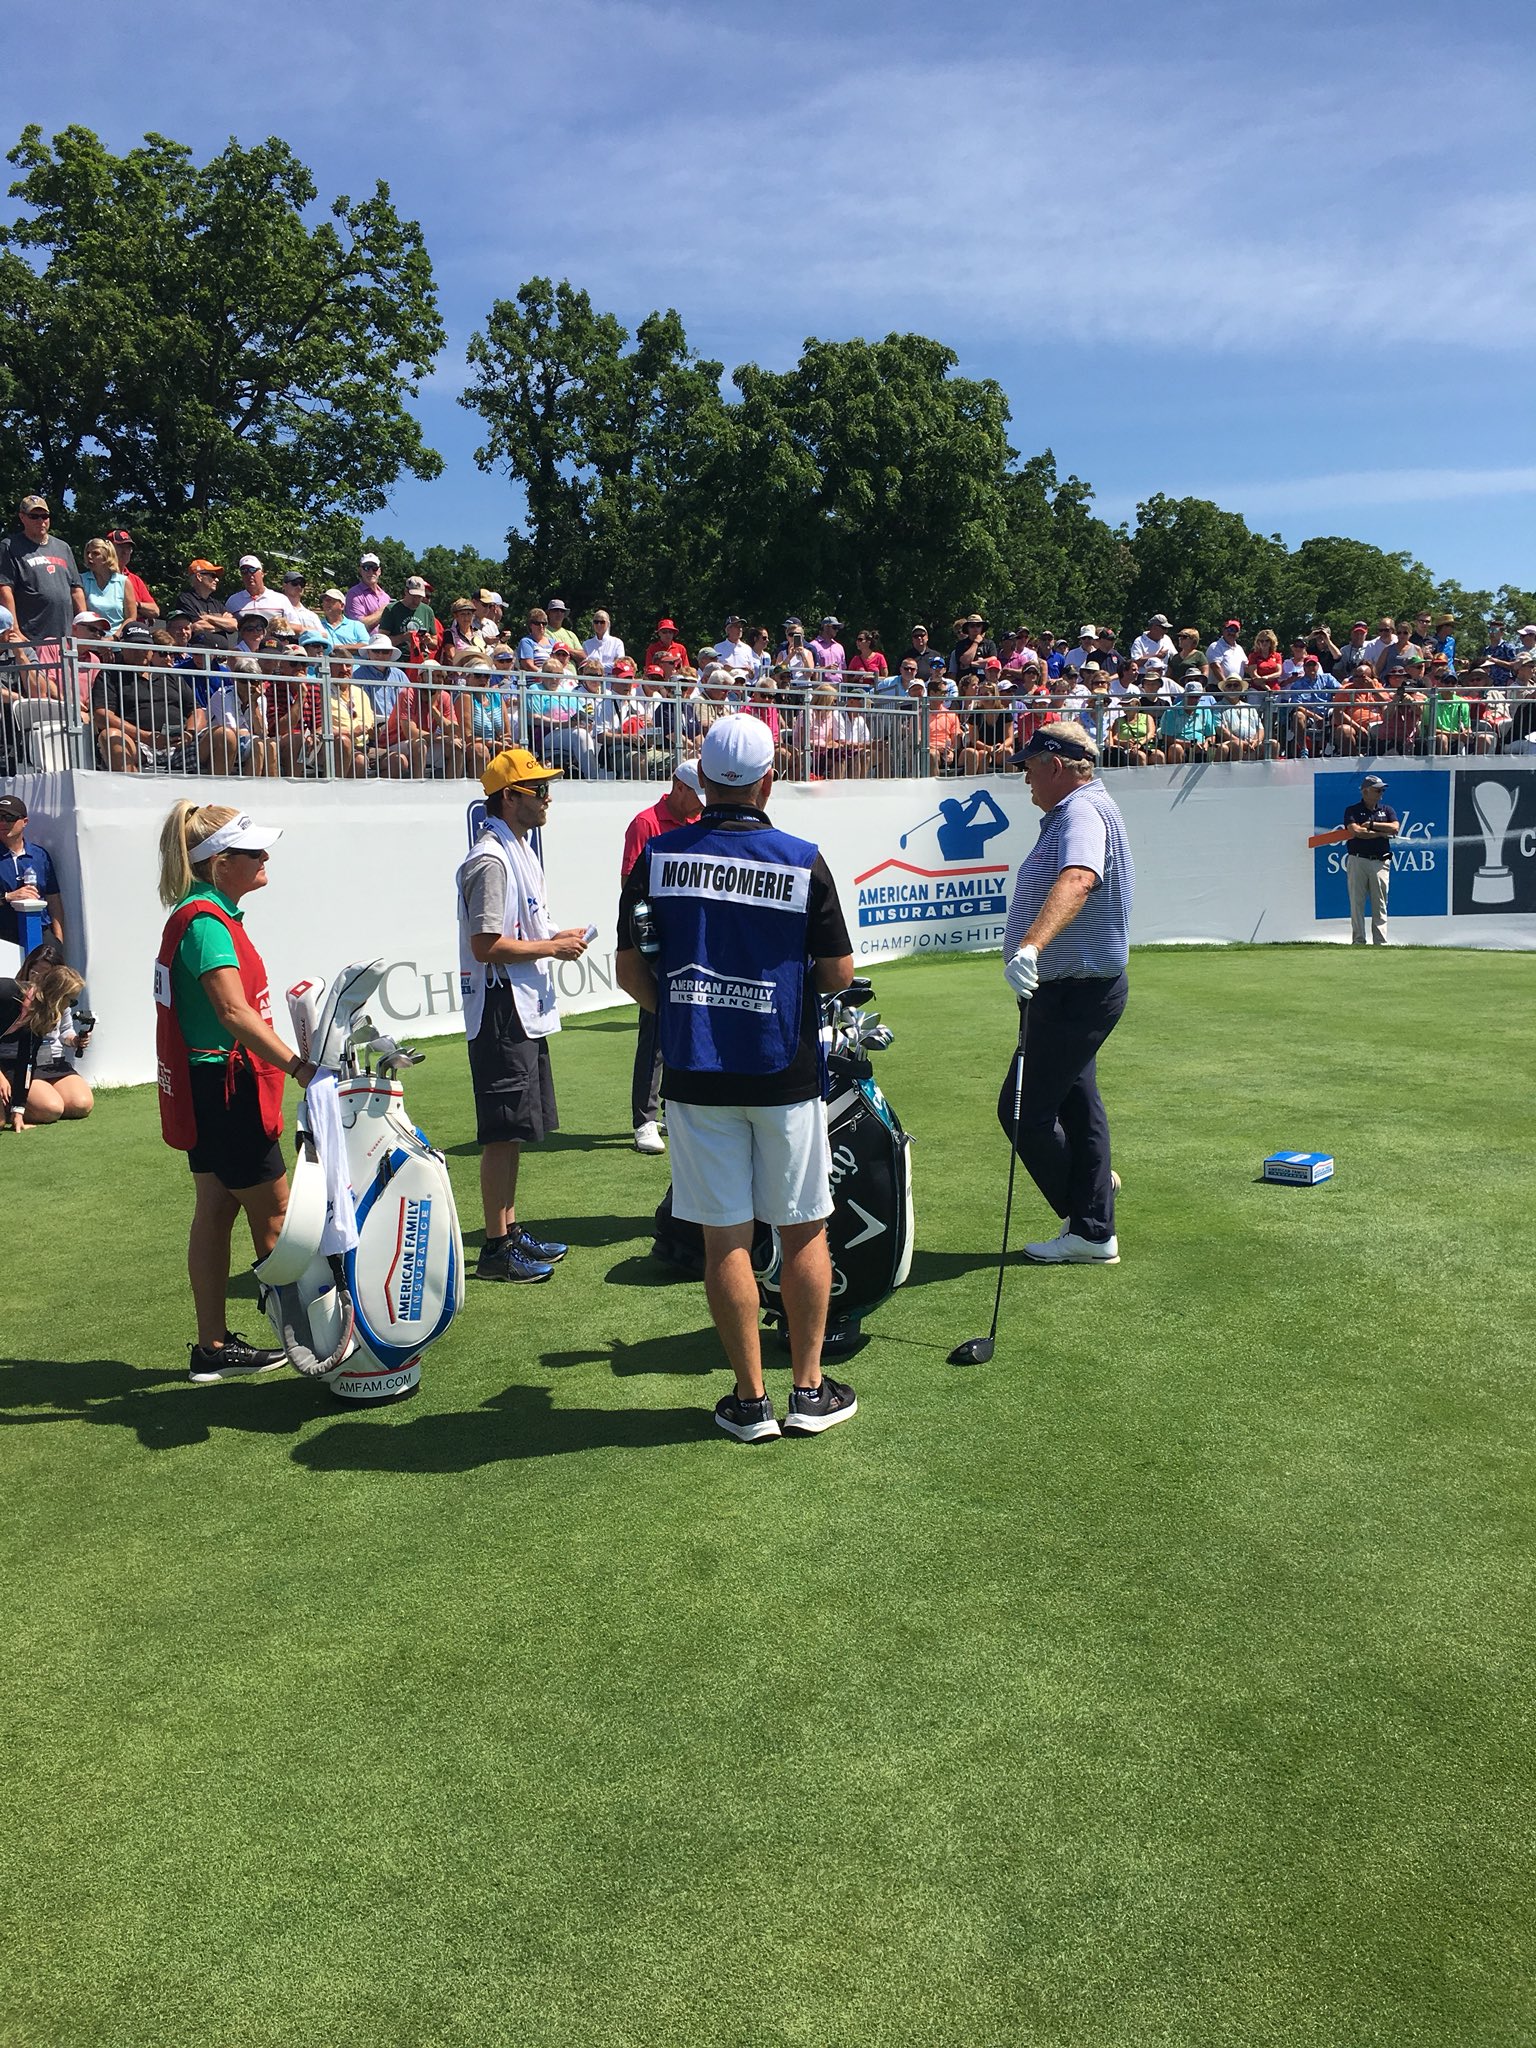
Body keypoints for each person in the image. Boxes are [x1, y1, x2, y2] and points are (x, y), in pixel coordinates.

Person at [615, 713, 858, 1442]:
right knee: (804, 1227)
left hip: (695, 1073)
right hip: (782, 1068)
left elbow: (631, 971)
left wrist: (690, 1015)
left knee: (726, 1238)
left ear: (701, 777)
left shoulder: (656, 858)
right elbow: (837, 973)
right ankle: (807, 1391)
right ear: (766, 779)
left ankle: (750, 1402)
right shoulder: (801, 857)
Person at [154, 801, 318, 1382]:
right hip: (225, 1087)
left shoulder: (203, 915)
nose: (265, 857)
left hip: (211, 1085)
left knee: (218, 1208)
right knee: (274, 1213)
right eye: (254, 852)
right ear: (221, 863)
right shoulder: (205, 923)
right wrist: (301, 1067)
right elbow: (233, 1012)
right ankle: (310, 1344)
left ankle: (213, 1348)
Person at [1001, 721, 1135, 1265]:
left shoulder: (1080, 811)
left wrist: (1030, 947)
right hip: (1075, 986)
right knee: (1080, 1108)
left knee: (1024, 1113)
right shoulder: (1076, 808)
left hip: (1074, 987)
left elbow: (1080, 876)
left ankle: (1090, 1214)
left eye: (1030, 769)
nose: (1026, 780)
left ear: (1055, 765)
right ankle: (1092, 1221)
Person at [456, 747, 589, 1284]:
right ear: (509, 797)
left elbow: (511, 934)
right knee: (501, 1132)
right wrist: (550, 950)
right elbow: (486, 945)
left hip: (515, 1006)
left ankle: (507, 1234)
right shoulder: (490, 858)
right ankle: (495, 1247)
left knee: (513, 1130)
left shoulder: (513, 849)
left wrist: (553, 939)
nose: (548, 797)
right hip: (500, 1007)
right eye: (538, 790)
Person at [619, 760, 705, 1154]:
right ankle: (645, 1120)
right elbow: (630, 889)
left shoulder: (698, 820)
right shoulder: (646, 823)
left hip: (691, 940)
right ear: (678, 787)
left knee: (689, 1023)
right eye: (696, 797)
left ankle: (674, 1108)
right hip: (657, 943)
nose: (700, 806)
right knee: (654, 1030)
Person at [15, 938, 93, 1119]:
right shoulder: (16, 996)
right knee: (51, 1109)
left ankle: (40, 1096)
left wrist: (74, 1040)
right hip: (22, 1064)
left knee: (81, 1104)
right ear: (27, 968)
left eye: (46, 976)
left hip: (53, 1061)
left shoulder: (61, 1000)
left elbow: (65, 1031)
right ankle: (16, 1103)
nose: (38, 979)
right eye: (34, 973)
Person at [0, 792, 64, 952]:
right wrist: (8, 896)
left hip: (40, 932)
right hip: (4, 936)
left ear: (25, 821)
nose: (3, 823)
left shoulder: (39, 856)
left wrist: (58, 940)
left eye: (9, 818)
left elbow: (53, 899)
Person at [1341, 772, 1398, 945]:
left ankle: (1380, 942)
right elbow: (1356, 832)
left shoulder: (1387, 810)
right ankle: (1358, 940)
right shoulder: (1352, 810)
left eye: (1382, 791)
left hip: (1380, 862)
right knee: (1357, 902)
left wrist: (1372, 826)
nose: (1381, 794)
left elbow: (1395, 828)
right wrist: (1381, 834)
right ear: (1365, 792)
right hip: (1358, 860)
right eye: (1377, 790)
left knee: (1380, 903)